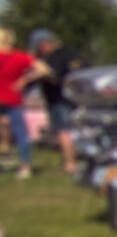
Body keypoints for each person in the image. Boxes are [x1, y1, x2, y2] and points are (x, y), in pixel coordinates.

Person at [28, 29, 82, 176]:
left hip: (58, 99)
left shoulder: (53, 57)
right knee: (72, 130)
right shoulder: (70, 53)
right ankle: (73, 160)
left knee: (63, 130)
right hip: (74, 98)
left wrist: (38, 74)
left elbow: (54, 76)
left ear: (44, 44)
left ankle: (70, 163)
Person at [0, 29, 49, 180]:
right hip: (13, 98)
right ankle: (25, 166)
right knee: (21, 133)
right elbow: (44, 69)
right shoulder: (20, 56)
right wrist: (24, 79)